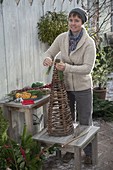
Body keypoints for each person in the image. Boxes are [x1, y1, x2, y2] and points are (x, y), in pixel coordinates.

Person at [43, 7, 96, 163]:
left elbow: (87, 68)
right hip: (66, 87)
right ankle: (70, 150)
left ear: (82, 23)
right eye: (71, 20)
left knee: (85, 121)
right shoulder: (62, 38)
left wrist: (67, 67)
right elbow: (49, 52)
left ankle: (89, 153)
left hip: (83, 88)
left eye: (77, 20)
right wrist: (47, 59)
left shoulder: (89, 43)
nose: (73, 23)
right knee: (68, 120)